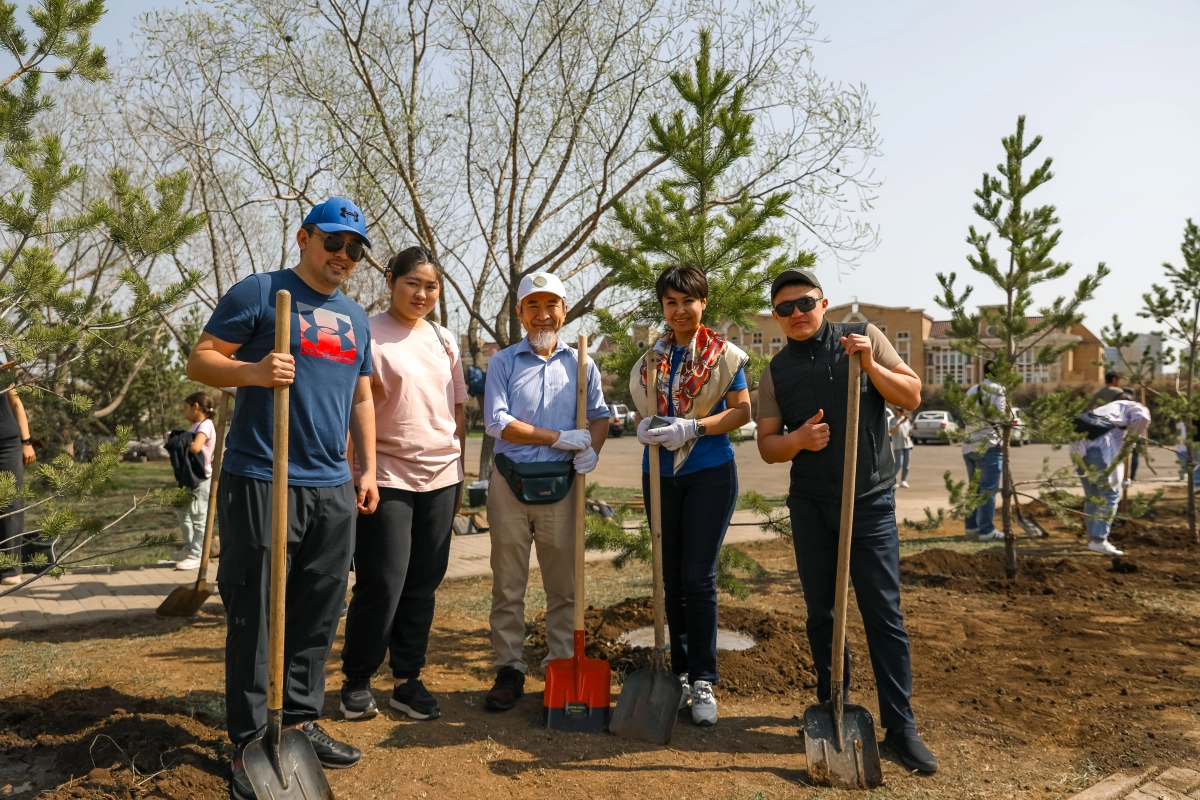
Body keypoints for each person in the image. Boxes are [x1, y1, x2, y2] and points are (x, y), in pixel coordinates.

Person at [187, 196, 379, 799]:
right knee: (256, 609)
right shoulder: (261, 292)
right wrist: (253, 372)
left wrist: (367, 468)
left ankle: (297, 721)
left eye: (354, 249)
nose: (343, 256)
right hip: (263, 476)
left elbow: (363, 397)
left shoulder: (356, 317)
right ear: (304, 237)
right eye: (333, 243)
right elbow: (201, 360)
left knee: (320, 610)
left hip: (331, 486)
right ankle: (248, 740)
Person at [755, 268, 937, 774]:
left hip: (870, 501)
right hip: (812, 505)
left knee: (884, 616)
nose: (796, 314)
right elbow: (768, 445)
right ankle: (833, 705)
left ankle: (900, 728)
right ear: (776, 316)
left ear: (824, 303)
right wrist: (798, 442)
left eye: (804, 303)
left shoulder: (867, 339)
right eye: (784, 308)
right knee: (823, 614)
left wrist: (870, 365)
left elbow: (911, 396)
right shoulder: (775, 372)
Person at [339, 246, 468, 723]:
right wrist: (358, 474)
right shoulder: (366, 333)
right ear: (390, 280)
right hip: (386, 476)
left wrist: (459, 468)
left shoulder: (444, 339)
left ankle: (407, 680)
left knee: (423, 583)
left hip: (442, 477)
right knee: (383, 581)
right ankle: (356, 679)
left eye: (431, 286)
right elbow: (354, 408)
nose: (422, 293)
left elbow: (457, 409)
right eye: (412, 283)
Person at [481, 272, 610, 711]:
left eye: (550, 305)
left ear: (564, 310)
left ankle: (562, 668)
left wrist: (592, 446)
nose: (542, 315)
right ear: (520, 314)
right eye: (532, 306)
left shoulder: (582, 364)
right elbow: (498, 422)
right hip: (510, 483)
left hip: (562, 487)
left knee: (565, 586)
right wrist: (557, 437)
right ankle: (509, 669)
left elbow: (599, 415)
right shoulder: (503, 363)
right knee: (509, 583)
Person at [629, 265, 751, 727]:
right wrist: (647, 428)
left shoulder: (724, 356)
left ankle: (703, 678)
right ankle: (677, 674)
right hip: (658, 474)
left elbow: (741, 412)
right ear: (662, 306)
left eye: (688, 301)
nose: (680, 311)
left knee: (698, 578)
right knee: (671, 579)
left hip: (708, 472)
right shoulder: (651, 361)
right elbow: (644, 408)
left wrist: (694, 426)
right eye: (670, 303)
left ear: (703, 302)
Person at [1071, 398, 1150, 556]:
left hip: (1078, 448)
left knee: (1092, 495)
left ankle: (1092, 537)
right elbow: (1143, 418)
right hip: (1098, 449)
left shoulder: (1108, 409)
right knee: (1110, 494)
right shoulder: (1137, 408)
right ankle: (1098, 540)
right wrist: (1132, 439)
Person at [172, 392, 218, 571]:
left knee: (199, 517)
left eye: (186, 408)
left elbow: (195, 447)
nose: (185, 412)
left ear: (196, 407)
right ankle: (190, 546)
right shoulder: (196, 425)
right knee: (182, 512)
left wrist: (179, 439)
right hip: (190, 478)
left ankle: (197, 554)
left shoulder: (205, 425)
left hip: (200, 479)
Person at [962, 362, 1005, 543]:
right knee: (988, 490)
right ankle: (987, 531)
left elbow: (965, 415)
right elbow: (1000, 418)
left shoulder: (972, 390)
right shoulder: (998, 390)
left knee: (975, 488)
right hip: (988, 445)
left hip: (968, 446)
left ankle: (972, 527)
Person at [0, 390, 35, 586]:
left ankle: (9, 569)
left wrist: (26, 441)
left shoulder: (2, 370)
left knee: (12, 503)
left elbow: (16, 404)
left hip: (8, 445)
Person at [890, 409, 914, 489]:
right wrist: (900, 423)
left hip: (907, 444)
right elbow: (892, 431)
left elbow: (909, 430)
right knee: (898, 463)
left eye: (903, 412)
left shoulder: (906, 420)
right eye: (900, 411)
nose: (902, 413)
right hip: (898, 445)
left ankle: (904, 480)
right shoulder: (893, 420)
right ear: (897, 411)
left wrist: (910, 433)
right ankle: (891, 480)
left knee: (906, 464)